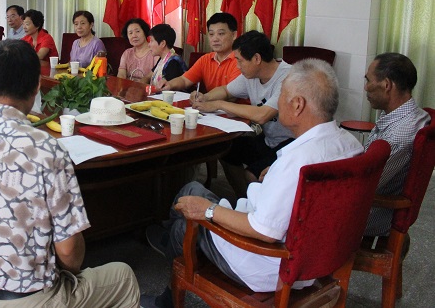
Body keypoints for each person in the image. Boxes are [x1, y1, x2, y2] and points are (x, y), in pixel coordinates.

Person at [142, 59, 363, 308]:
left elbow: (264, 232)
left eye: (281, 95)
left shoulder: (298, 162)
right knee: (190, 190)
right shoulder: (350, 145)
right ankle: (167, 240)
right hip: (320, 254)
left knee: (184, 225)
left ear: (298, 104)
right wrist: (276, 173)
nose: (277, 103)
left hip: (270, 264)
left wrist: (207, 210)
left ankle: (167, 299)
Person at [0, 39, 140, 307]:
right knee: (123, 276)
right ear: (37, 87)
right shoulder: (46, 149)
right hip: (27, 301)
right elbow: (69, 254)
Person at [191, 30, 294, 198]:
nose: (237, 66)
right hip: (269, 139)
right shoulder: (251, 75)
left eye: (239, 61)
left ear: (257, 59)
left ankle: (259, 211)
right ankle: (244, 200)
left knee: (252, 174)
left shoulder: (287, 78)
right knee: (228, 151)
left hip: (292, 142)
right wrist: (204, 97)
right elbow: (225, 90)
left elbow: (262, 115)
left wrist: (218, 105)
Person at [362, 53, 430, 236]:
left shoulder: (398, 136)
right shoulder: (414, 115)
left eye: (368, 80)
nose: (365, 87)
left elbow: (364, 186)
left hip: (372, 215)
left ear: (386, 85)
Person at [160, 13, 241, 94]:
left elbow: (230, 94)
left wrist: (204, 98)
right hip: (209, 105)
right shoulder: (205, 59)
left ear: (234, 35)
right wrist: (169, 84)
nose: (215, 39)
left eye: (221, 34)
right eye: (211, 34)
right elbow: (184, 80)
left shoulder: (241, 60)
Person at [117, 18, 157, 82]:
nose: (134, 36)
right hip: (129, 89)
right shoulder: (127, 53)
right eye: (130, 33)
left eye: (137, 31)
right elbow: (121, 74)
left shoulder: (155, 53)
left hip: (148, 89)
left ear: (145, 32)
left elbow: (157, 76)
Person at [148, 24, 186, 89]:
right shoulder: (163, 58)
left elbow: (169, 90)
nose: (149, 45)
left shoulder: (173, 62)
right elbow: (149, 75)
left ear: (163, 43)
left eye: (151, 41)